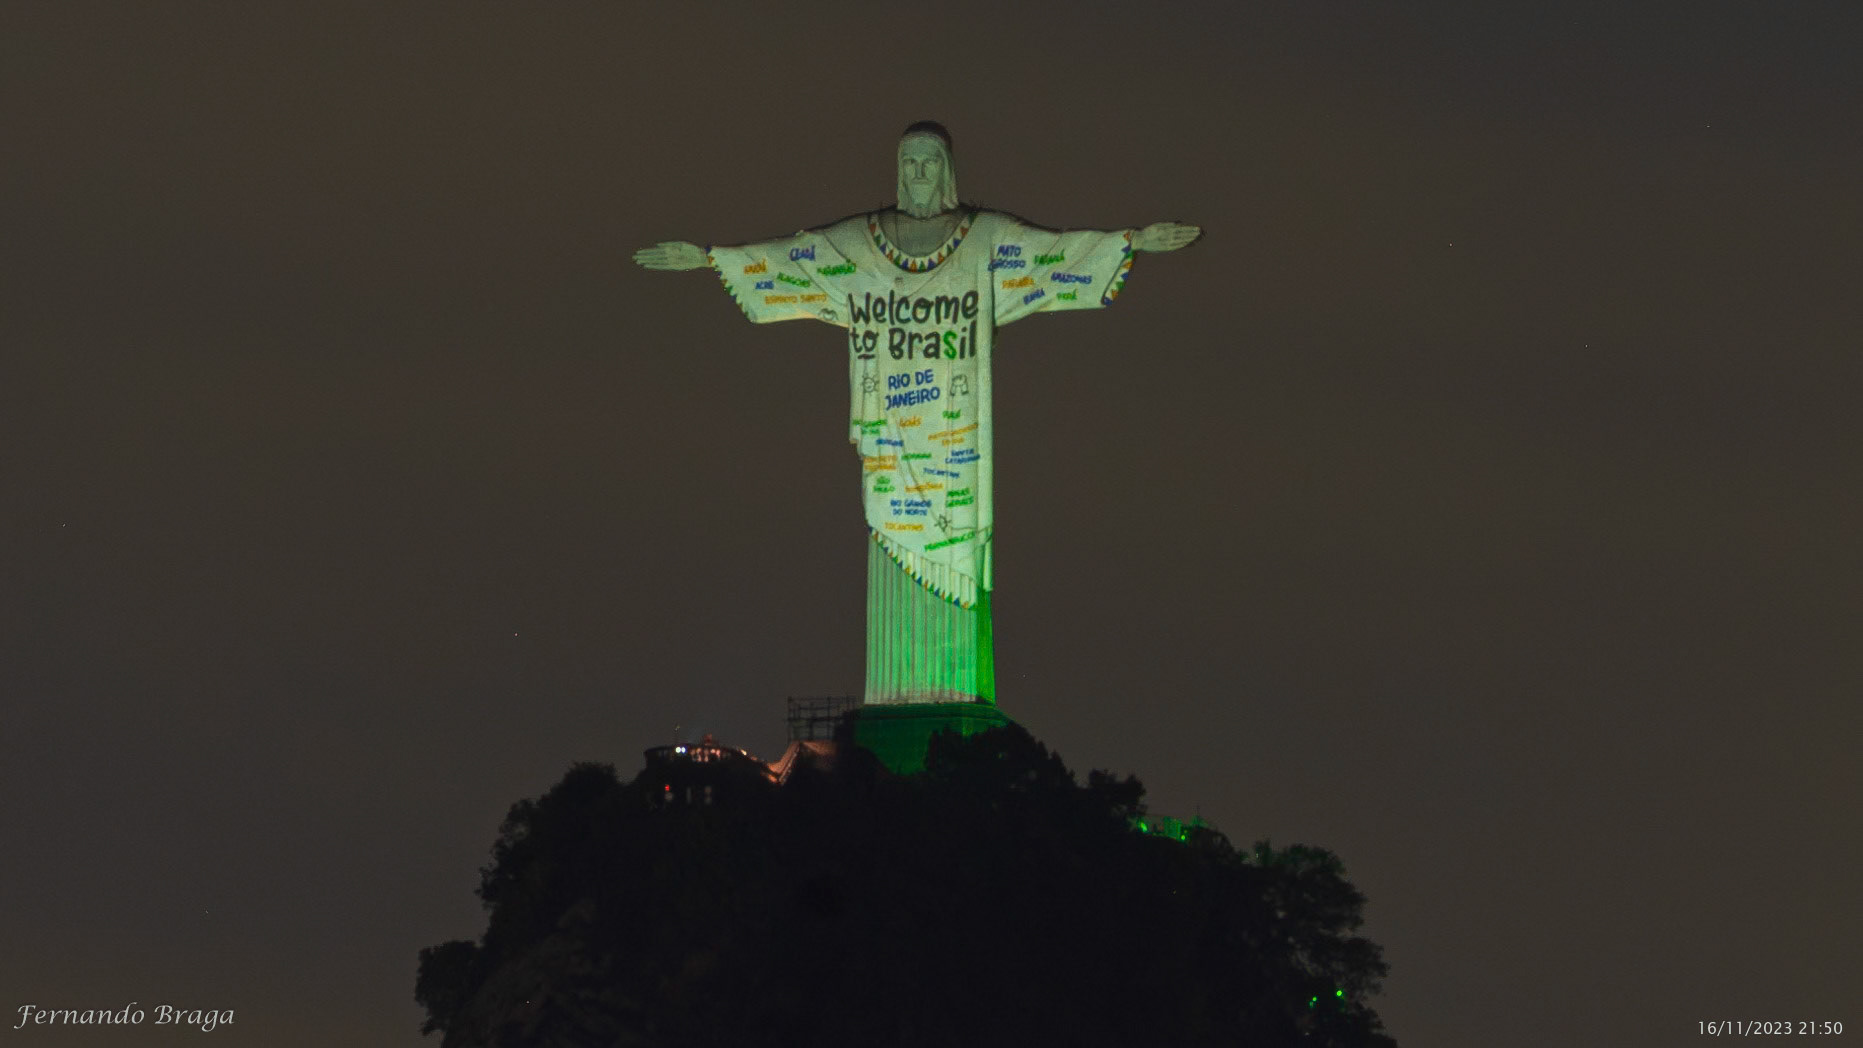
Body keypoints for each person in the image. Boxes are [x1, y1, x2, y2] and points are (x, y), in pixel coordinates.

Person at [634, 122, 1199, 706]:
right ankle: (897, 697)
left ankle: (952, 699)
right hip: (890, 452)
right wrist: (709, 259)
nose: (919, 173)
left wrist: (1131, 241)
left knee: (959, 578)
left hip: (956, 455)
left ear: (947, 170)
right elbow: (794, 259)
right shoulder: (861, 244)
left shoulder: (983, 240)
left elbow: (1053, 254)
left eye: (929, 162)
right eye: (909, 162)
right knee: (889, 555)